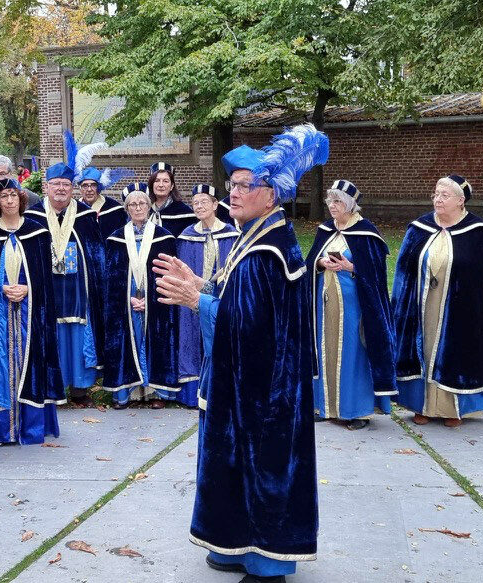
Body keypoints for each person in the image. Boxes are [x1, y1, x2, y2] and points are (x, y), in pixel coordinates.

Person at [154, 126, 329, 583]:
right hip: (247, 382)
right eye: (230, 184)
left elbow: (247, 325)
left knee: (262, 466)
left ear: (270, 194)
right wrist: (199, 284)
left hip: (263, 390)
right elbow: (237, 299)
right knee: (232, 464)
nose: (232, 192)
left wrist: (197, 302)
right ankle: (232, 543)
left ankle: (268, 559)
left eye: (242, 186)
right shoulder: (255, 235)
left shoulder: (267, 251)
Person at [392, 175, 483, 428]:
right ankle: (423, 406)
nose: (438, 199)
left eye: (445, 195)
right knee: (424, 348)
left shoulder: (479, 233)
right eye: (436, 194)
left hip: (461, 307)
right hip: (421, 303)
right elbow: (403, 270)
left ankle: (454, 408)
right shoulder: (419, 228)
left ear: (461, 201)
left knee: (453, 352)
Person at [0, 178, 63, 445]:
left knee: (29, 363)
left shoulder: (37, 231)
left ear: (20, 199)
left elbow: (45, 277)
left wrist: (28, 288)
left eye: (13, 195)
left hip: (30, 315)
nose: (9, 200)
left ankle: (30, 428)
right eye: (3, 196)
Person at [304, 180, 396, 430]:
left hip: (356, 307)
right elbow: (309, 263)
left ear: (351, 205)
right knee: (325, 351)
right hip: (324, 305)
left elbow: (376, 275)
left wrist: (350, 267)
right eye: (330, 201)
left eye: (338, 202)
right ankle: (325, 407)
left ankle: (357, 410)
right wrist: (321, 263)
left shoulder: (367, 233)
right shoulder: (325, 230)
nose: (332, 206)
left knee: (352, 353)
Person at [24, 162, 105, 407]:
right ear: (46, 186)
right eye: (56, 184)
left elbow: (96, 255)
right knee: (51, 333)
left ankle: (80, 389)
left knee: (77, 334)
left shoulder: (86, 216)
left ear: (72, 188)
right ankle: (51, 388)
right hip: (46, 289)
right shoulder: (32, 217)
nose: (61, 189)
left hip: (78, 288)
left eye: (66, 185)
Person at [102, 184, 179, 409]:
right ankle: (126, 391)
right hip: (126, 301)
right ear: (126, 208)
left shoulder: (164, 238)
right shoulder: (116, 239)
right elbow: (112, 278)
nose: (138, 208)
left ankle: (155, 392)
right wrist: (128, 300)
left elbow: (169, 274)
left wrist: (151, 300)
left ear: (149, 206)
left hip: (154, 299)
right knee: (128, 340)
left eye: (142, 203)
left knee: (154, 340)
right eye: (133, 204)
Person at [175, 184, 238, 407]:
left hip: (221, 298)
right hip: (193, 298)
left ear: (215, 205)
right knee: (192, 337)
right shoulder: (187, 236)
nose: (199, 206)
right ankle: (192, 393)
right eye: (195, 203)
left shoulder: (232, 235)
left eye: (204, 202)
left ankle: (221, 391)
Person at [78, 166, 130, 239]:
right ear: (80, 189)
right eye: (85, 185)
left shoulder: (115, 210)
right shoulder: (74, 210)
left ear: (99, 187)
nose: (89, 189)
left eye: (93, 185)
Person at [148, 162, 196, 238]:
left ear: (172, 186)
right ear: (151, 185)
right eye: (157, 181)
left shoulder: (185, 213)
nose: (161, 185)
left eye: (165, 181)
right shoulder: (144, 210)